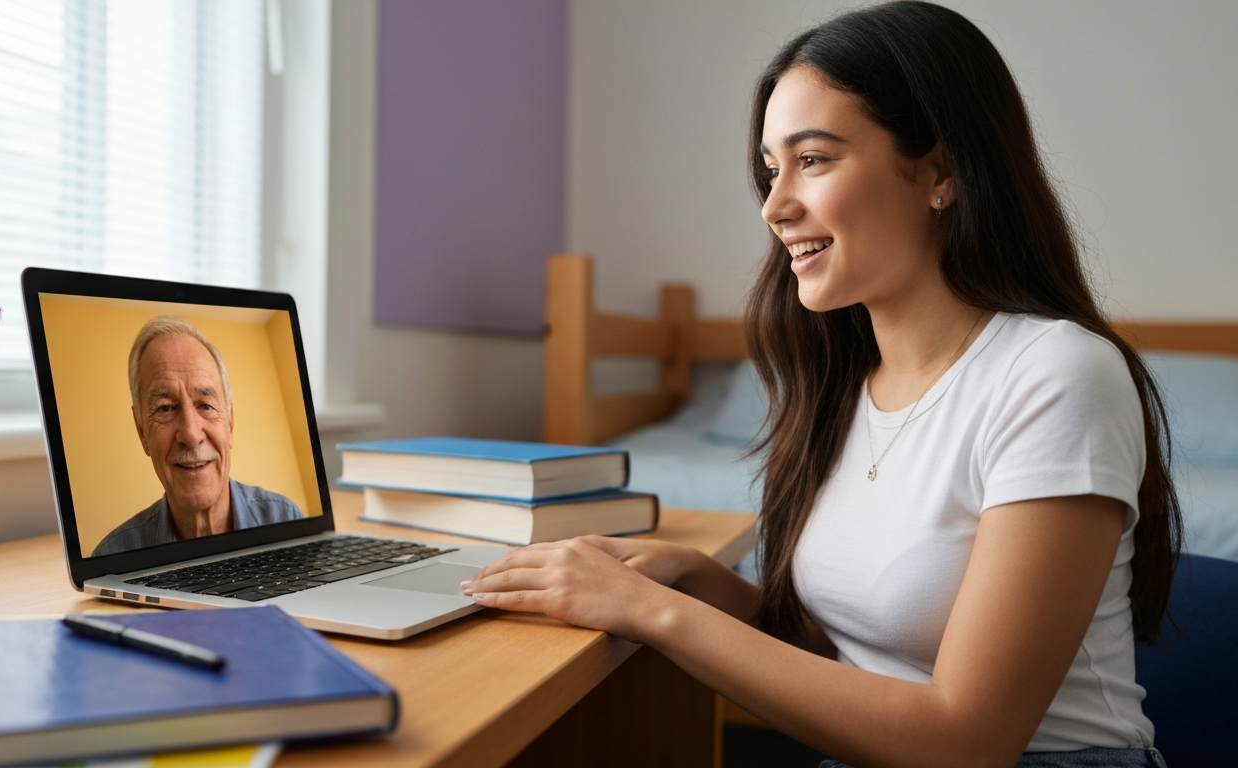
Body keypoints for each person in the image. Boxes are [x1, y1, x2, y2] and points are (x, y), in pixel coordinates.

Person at [459, 4, 1182, 767]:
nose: (774, 207)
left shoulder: (1056, 373)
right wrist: (701, 583)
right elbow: (854, 654)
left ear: (942, 172)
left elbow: (967, 740)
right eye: (771, 170)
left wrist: (651, 613)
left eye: (813, 160)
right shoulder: (842, 384)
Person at [92, 316, 303, 557]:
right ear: (142, 430)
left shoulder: (287, 523)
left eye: (205, 405)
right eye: (165, 408)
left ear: (230, 424)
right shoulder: (113, 560)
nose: (191, 435)